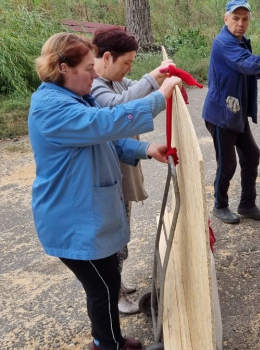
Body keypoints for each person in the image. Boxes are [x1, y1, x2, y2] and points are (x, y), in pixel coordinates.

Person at [28, 32, 182, 350]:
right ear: (63, 67)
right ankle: (107, 344)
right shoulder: (52, 108)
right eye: (87, 67)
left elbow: (104, 138)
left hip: (83, 217)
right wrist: (159, 97)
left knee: (107, 284)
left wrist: (146, 149)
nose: (95, 73)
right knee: (103, 288)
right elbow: (105, 123)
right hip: (71, 221)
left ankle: (109, 340)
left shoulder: (73, 97)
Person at [91, 27, 172, 314]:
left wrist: (157, 77)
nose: (128, 70)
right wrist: (156, 81)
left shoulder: (116, 81)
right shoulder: (97, 87)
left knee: (121, 234)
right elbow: (122, 107)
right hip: (108, 180)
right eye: (126, 63)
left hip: (119, 173)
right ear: (108, 57)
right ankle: (113, 293)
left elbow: (137, 91)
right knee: (113, 240)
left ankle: (118, 284)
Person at [202, 0, 260, 224]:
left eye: (245, 19)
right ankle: (220, 205)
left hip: (235, 112)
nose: (240, 23)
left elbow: (249, 70)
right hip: (220, 116)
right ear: (225, 19)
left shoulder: (241, 42)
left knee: (251, 154)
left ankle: (247, 204)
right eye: (235, 18)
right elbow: (248, 64)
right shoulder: (223, 43)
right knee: (227, 164)